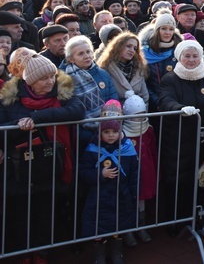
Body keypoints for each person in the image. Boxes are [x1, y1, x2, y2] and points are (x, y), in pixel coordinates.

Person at [0, 54, 84, 260]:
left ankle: (42, 254)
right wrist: (20, 126)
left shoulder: (63, 93)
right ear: (30, 81)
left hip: (51, 165)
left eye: (52, 77)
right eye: (44, 78)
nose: (50, 82)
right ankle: (24, 254)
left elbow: (77, 111)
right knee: (22, 214)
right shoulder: (10, 99)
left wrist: (36, 118)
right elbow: (5, 128)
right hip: (20, 169)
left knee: (46, 213)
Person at [157, 40, 204, 226]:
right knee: (176, 180)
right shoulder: (170, 79)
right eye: (187, 56)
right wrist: (180, 109)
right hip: (177, 139)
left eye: (195, 56)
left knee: (197, 179)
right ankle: (174, 221)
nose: (191, 60)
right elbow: (165, 99)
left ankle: (195, 218)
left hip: (202, 139)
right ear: (179, 57)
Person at [80, 100, 139, 263]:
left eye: (114, 131)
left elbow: (134, 172)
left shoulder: (128, 148)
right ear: (100, 132)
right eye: (106, 131)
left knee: (118, 229)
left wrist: (134, 193)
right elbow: (83, 172)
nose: (111, 135)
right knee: (99, 229)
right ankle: (99, 255)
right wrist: (100, 174)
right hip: (98, 198)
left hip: (121, 196)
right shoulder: (92, 148)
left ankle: (117, 252)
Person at [122, 91, 157, 246]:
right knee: (128, 201)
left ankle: (140, 226)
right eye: (137, 115)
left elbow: (153, 149)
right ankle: (128, 231)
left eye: (142, 114)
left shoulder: (148, 130)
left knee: (142, 200)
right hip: (129, 174)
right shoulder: (123, 133)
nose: (140, 118)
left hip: (145, 171)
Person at [141, 13, 182, 108]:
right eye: (163, 28)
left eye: (171, 29)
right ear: (157, 30)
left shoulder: (179, 51)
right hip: (153, 103)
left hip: (175, 103)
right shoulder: (145, 52)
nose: (167, 32)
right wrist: (156, 101)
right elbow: (144, 82)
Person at [98, 32, 150, 104]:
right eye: (128, 46)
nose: (132, 50)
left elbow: (145, 96)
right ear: (119, 46)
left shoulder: (139, 69)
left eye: (135, 48)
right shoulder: (106, 68)